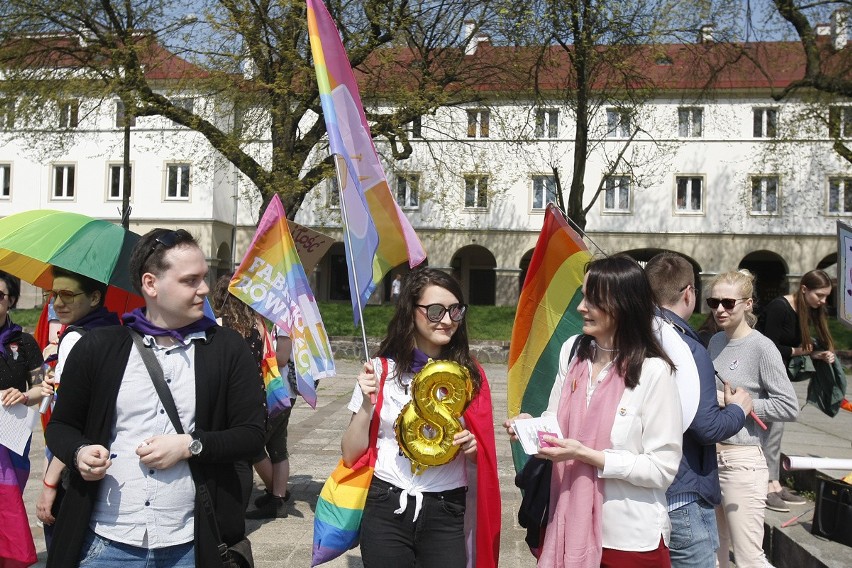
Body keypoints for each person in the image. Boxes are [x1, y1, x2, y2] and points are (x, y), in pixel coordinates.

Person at [44, 228, 266, 567]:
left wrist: (189, 446)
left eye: (204, 278)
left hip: (191, 544)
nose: (204, 289)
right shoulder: (99, 347)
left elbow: (252, 435)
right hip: (106, 542)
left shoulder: (226, 348)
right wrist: (79, 453)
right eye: (190, 281)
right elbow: (61, 427)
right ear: (151, 284)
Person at [505, 255, 683, 567]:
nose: (581, 307)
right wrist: (532, 427)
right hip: (564, 522)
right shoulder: (573, 352)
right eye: (584, 296)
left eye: (592, 299)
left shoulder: (654, 372)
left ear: (624, 305)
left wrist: (590, 456)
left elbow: (662, 468)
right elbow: (555, 420)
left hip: (627, 540)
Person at [341, 267, 500, 568]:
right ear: (411, 312)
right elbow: (350, 453)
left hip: (446, 509)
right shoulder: (380, 371)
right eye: (435, 310)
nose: (447, 320)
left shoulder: (470, 377)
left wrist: (472, 449)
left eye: (455, 310)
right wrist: (365, 403)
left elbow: (484, 461)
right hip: (386, 504)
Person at [646, 253, 753, 568]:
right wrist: (738, 409)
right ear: (689, 293)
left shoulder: (633, 337)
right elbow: (705, 427)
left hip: (641, 492)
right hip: (684, 494)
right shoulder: (689, 348)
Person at [707, 270, 798, 568]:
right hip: (709, 459)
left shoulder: (762, 347)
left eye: (728, 302)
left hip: (743, 462)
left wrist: (743, 405)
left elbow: (788, 406)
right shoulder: (715, 343)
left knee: (748, 558)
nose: (720, 308)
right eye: (713, 301)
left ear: (748, 304)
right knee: (714, 554)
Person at [36, 268, 121, 541]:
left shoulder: (74, 337)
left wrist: (49, 483)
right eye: (53, 295)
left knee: (62, 538)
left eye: (67, 295)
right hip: (108, 454)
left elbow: (73, 421)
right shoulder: (116, 329)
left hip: (73, 455)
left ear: (95, 297)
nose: (57, 303)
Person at [755, 269, 833, 512]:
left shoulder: (806, 310)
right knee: (770, 431)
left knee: (776, 432)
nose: (823, 301)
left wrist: (819, 354)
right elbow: (768, 346)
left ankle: (775, 483)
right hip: (764, 376)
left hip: (780, 376)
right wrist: (800, 352)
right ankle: (767, 485)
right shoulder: (780, 307)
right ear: (804, 289)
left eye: (826, 297)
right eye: (819, 295)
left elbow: (798, 345)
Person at [0, 270, 45, 568]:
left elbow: (43, 386)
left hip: (12, 436)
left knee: (8, 502)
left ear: (11, 300)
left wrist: (25, 396)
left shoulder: (25, 343)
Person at [246, 325, 299, 519]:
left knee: (254, 445)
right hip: (282, 392)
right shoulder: (289, 317)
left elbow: (282, 359)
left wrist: (256, 355)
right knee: (277, 447)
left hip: (278, 392)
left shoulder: (286, 319)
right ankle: (277, 495)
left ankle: (277, 495)